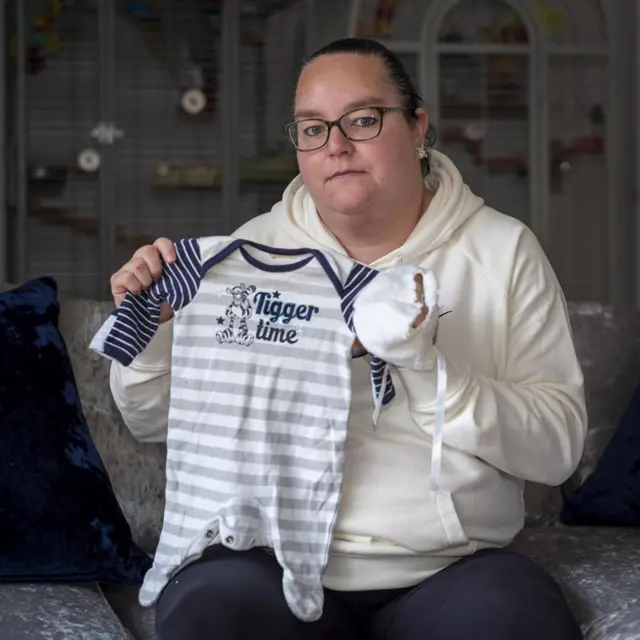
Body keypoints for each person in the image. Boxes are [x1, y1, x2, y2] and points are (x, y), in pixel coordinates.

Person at [109, 38, 586, 640]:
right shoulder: (250, 253)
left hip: (449, 569)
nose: (335, 145)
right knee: (209, 613)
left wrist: (424, 367)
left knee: (517, 622)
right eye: (312, 129)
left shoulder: (504, 249)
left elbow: (557, 448)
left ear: (418, 128)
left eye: (362, 120)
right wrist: (153, 333)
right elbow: (155, 421)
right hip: (268, 563)